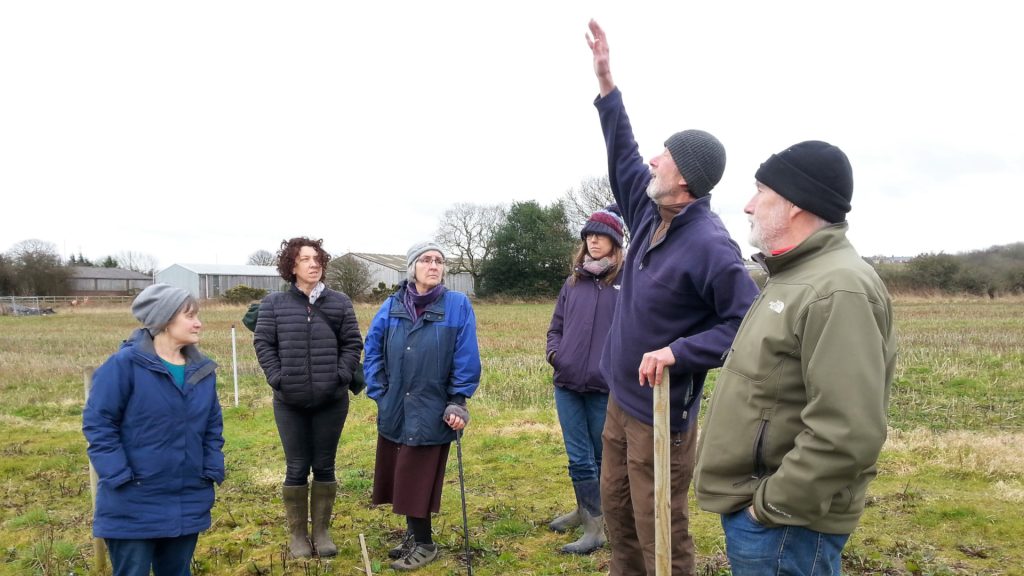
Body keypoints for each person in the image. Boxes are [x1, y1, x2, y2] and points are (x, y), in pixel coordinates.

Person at [585, 19, 760, 575]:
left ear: (686, 180)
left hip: (662, 415)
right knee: (617, 510)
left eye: (665, 156)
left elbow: (745, 324)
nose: (653, 161)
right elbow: (623, 153)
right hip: (621, 398)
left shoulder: (711, 246)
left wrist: (678, 352)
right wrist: (607, 84)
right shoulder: (647, 210)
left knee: (658, 523)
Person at [694, 141, 897, 575]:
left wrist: (770, 507)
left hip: (787, 525)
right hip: (770, 516)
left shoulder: (837, 288)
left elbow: (847, 430)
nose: (748, 205)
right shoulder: (795, 275)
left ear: (795, 204)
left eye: (760, 191)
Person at [83, 284, 224, 576]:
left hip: (187, 498)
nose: (198, 323)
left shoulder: (202, 372)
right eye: (190, 316)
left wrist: (210, 469)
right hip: (132, 500)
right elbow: (99, 424)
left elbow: (212, 427)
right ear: (164, 320)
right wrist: (119, 476)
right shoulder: (123, 366)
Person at [363, 241, 481, 571]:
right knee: (400, 473)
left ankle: (425, 544)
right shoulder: (392, 305)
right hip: (396, 406)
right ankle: (415, 536)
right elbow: (372, 349)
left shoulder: (456, 305)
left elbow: (466, 356)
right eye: (426, 260)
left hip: (433, 408)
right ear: (412, 267)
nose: (433, 265)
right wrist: (381, 392)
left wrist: (457, 401)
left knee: (417, 476)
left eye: (439, 261)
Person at [253, 237, 363, 558]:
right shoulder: (274, 304)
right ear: (291, 266)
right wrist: (278, 379)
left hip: (332, 400)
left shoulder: (340, 302)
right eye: (305, 259)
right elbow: (263, 343)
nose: (313, 264)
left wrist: (340, 377)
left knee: (325, 465)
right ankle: (298, 535)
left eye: (317, 259)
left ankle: (322, 532)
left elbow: (352, 343)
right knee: (297, 467)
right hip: (289, 402)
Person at [545, 205, 626, 554]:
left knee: (601, 456)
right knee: (578, 455)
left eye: (601, 236)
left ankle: (598, 526)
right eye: (589, 236)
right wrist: (556, 355)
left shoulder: (626, 283)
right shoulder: (573, 282)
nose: (593, 241)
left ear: (615, 242)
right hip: (567, 384)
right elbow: (556, 327)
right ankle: (586, 513)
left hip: (603, 387)